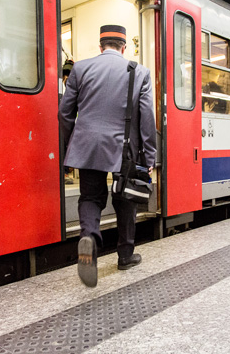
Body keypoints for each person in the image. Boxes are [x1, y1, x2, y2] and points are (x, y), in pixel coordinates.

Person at [58, 25, 156, 288]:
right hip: (124, 147)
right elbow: (146, 119)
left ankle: (89, 236)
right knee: (126, 198)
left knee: (90, 196)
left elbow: (65, 113)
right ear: (124, 47)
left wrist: (71, 146)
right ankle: (125, 255)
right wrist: (149, 158)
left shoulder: (80, 68)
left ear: (100, 46)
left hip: (87, 145)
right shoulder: (140, 72)